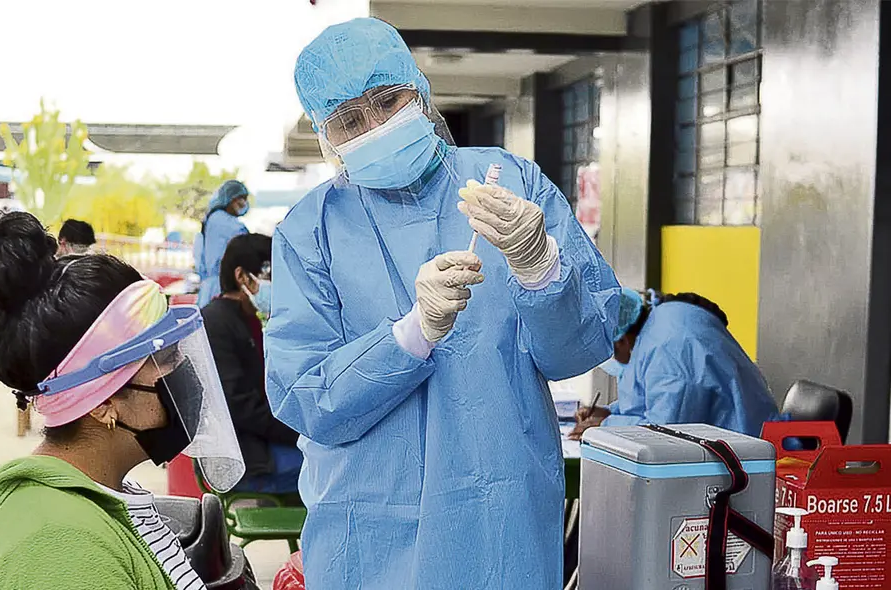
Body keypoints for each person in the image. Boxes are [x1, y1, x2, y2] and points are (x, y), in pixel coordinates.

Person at [265, 18, 621, 589]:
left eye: (386, 102)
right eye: (349, 121)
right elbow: (305, 398)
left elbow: (581, 347)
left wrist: (540, 265)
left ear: (420, 90)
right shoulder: (310, 231)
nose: (375, 126)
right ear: (327, 136)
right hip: (370, 534)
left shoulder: (511, 183)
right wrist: (411, 333)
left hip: (501, 521)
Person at [0, 211, 244, 590]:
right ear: (102, 402)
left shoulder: (102, 497)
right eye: (164, 358)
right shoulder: (58, 548)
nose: (182, 367)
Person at [571, 289, 781, 439]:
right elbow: (651, 398)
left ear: (622, 340)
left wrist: (605, 426)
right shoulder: (660, 322)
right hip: (740, 437)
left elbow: (667, 432)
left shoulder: (667, 350)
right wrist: (610, 413)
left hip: (747, 450)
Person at [202, 233, 302, 495]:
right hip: (248, 457)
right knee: (332, 468)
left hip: (262, 442)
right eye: (270, 275)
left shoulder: (250, 320)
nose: (277, 284)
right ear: (242, 277)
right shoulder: (216, 322)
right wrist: (300, 433)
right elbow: (240, 405)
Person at [194, 180, 250, 306]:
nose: (244, 203)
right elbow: (246, 243)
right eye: (241, 198)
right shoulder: (226, 222)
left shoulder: (212, 219)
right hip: (220, 287)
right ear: (230, 199)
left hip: (211, 286)